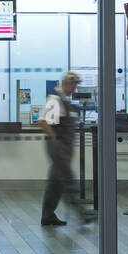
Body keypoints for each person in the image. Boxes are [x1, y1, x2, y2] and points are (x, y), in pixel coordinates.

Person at [37, 71, 82, 226]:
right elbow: (43, 121)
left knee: (56, 182)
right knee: (68, 179)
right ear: (66, 84)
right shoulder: (55, 99)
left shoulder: (63, 100)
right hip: (58, 147)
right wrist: (55, 139)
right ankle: (83, 214)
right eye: (73, 86)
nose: (75, 90)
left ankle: (48, 215)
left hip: (62, 147)